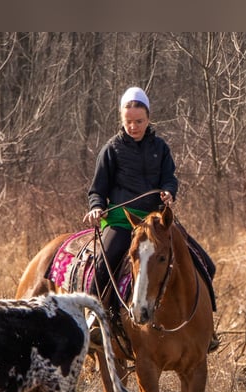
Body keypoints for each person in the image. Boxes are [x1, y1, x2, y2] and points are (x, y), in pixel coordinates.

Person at [83, 86, 219, 351]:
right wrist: (97, 207)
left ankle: (208, 328)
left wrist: (169, 191)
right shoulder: (111, 149)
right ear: (122, 120)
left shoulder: (160, 147)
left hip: (158, 222)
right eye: (129, 121)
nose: (134, 126)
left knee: (206, 263)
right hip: (124, 222)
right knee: (103, 264)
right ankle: (96, 321)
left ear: (148, 119)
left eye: (139, 121)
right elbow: (97, 189)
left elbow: (169, 177)